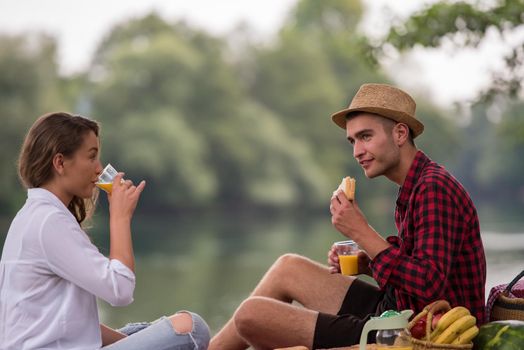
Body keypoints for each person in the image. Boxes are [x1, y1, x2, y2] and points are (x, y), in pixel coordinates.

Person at [208, 83, 486, 349]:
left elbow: (428, 284)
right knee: (287, 267)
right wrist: (367, 264)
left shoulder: (433, 187)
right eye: (352, 141)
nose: (357, 151)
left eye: (366, 137)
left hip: (419, 334)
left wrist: (360, 231)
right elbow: (414, 268)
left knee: (252, 315)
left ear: (400, 134)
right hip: (396, 310)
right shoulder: (412, 187)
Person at [0, 112, 210, 350]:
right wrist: (120, 217)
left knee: (145, 331)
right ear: (60, 163)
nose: (99, 169)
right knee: (191, 328)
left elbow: (72, 325)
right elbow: (120, 290)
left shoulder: (33, 215)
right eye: (91, 157)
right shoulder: (48, 221)